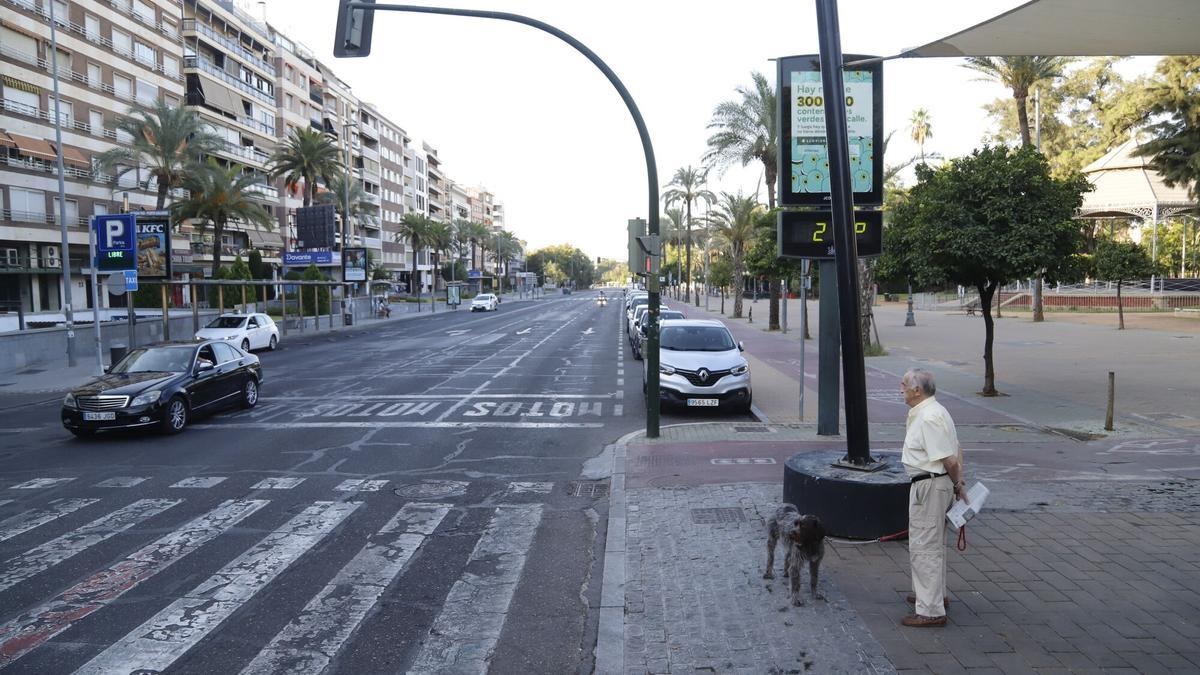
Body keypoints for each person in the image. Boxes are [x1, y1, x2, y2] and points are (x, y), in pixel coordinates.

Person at [899, 368, 968, 628]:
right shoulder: (936, 411)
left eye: (904, 383)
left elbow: (950, 458)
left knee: (924, 545)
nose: (900, 387)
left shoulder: (928, 417)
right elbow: (958, 449)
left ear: (918, 390)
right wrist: (957, 484)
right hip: (934, 484)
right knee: (933, 543)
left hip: (929, 485)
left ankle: (929, 610)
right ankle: (933, 596)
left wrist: (958, 484)